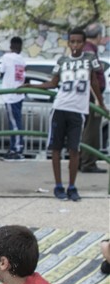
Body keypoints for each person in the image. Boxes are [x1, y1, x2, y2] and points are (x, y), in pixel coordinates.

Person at [32, 28, 106, 201]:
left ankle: (72, 186)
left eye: (78, 41)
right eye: (72, 41)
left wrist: (101, 103)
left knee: (74, 149)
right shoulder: (62, 61)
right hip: (60, 107)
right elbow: (53, 83)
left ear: (84, 43)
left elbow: (94, 82)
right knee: (56, 149)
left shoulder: (89, 59)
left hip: (78, 110)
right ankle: (58, 186)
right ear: (68, 43)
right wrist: (32, 86)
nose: (75, 45)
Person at [79, 23, 107, 174]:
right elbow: (90, 77)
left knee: (85, 129)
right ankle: (88, 163)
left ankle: (82, 161)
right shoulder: (89, 51)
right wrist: (98, 99)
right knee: (91, 130)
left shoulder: (85, 49)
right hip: (90, 95)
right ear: (98, 36)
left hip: (87, 94)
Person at [0, 36, 27, 161]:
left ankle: (16, 149)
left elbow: (1, 72)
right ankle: (16, 147)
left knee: (14, 124)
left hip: (10, 95)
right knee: (17, 122)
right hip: (19, 94)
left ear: (10, 46)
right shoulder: (22, 60)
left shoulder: (6, 57)